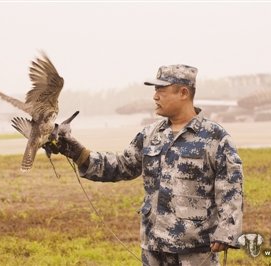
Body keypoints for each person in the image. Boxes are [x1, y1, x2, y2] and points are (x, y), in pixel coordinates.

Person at [52, 64, 243, 266]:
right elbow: (121, 165)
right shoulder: (150, 135)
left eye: (161, 90)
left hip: (195, 250)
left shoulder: (215, 138)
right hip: (154, 247)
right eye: (154, 90)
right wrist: (78, 152)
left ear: (183, 92)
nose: (155, 96)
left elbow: (231, 187)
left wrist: (226, 232)